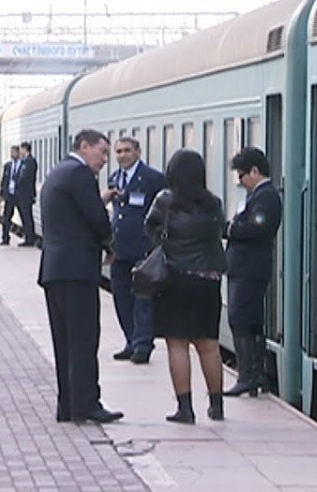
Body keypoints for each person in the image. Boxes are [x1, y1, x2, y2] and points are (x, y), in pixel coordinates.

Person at [38, 129, 122, 424]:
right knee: (84, 340)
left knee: (65, 342)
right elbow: (96, 217)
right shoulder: (79, 173)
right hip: (76, 270)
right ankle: (87, 405)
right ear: (84, 146)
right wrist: (110, 244)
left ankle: (69, 405)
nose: (105, 159)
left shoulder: (58, 172)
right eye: (102, 152)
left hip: (56, 269)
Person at [144, 149, 228, 424]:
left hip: (174, 279)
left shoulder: (165, 201)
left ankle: (185, 408)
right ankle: (216, 406)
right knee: (209, 345)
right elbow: (219, 232)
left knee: (177, 344)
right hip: (207, 281)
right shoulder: (214, 204)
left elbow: (150, 228)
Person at [223, 147, 283, 397]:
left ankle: (248, 375)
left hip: (250, 269)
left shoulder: (266, 197)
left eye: (242, 175)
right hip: (245, 268)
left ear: (255, 171)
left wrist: (229, 229)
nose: (240, 181)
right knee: (249, 320)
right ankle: (256, 374)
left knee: (240, 318)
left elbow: (257, 228)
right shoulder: (257, 196)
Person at [105, 138, 166, 365]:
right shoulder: (114, 178)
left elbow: (162, 213)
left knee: (142, 299)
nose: (122, 155)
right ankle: (130, 340)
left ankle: (142, 344)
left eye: (127, 151)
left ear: (138, 152)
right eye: (119, 151)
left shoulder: (153, 179)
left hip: (143, 248)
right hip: (119, 248)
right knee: (121, 298)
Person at [17, 141, 39, 247]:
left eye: (21, 149)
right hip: (23, 193)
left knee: (27, 216)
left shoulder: (30, 162)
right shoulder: (24, 161)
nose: (20, 151)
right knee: (25, 216)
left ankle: (30, 238)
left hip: (27, 193)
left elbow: (25, 177)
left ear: (25, 149)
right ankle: (28, 237)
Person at [0, 145, 21, 246]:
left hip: (19, 194)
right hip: (9, 195)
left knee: (24, 216)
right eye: (11, 152)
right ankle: (5, 237)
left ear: (18, 153)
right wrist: (1, 193)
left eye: (14, 152)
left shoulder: (22, 165)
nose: (12, 154)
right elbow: (4, 180)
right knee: (6, 217)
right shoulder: (8, 166)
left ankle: (29, 238)